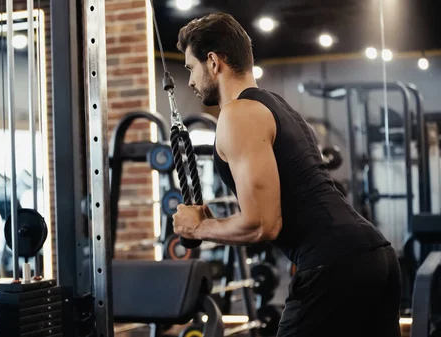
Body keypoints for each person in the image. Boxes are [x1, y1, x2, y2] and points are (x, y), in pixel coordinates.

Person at [171, 12, 401, 337]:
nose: (191, 81)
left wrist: (199, 228)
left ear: (213, 61)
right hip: (376, 256)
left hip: (333, 264)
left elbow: (263, 224)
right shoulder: (275, 105)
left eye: (191, 69)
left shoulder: (238, 114)